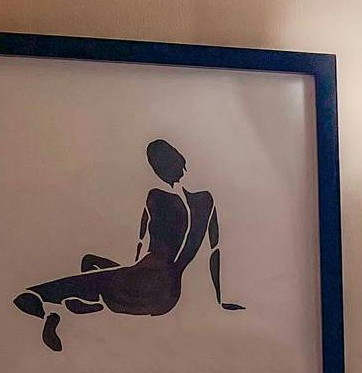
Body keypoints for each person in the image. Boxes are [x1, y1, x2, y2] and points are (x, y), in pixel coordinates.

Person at [13, 138, 243, 352]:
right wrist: (220, 301)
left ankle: (53, 310)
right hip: (167, 297)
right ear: (181, 160)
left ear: (156, 171)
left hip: (138, 283)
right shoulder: (206, 200)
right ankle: (88, 303)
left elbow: (141, 244)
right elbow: (214, 251)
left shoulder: (155, 197)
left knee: (34, 294)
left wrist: (131, 270)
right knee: (92, 263)